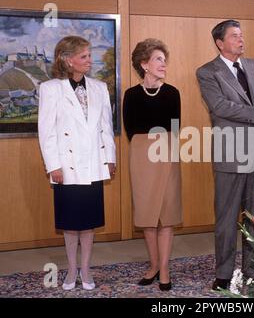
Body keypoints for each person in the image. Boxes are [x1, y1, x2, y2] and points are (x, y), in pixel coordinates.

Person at [196, 19, 254, 290]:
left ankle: (253, 270)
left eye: (241, 34)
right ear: (220, 42)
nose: (240, 39)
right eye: (234, 36)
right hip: (231, 152)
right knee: (227, 218)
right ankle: (223, 274)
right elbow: (219, 106)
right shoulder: (207, 72)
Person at [38, 36, 116, 291]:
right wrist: (53, 166)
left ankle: (86, 268)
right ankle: (72, 268)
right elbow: (46, 131)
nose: (89, 60)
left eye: (89, 55)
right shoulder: (51, 89)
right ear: (67, 59)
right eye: (84, 56)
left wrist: (110, 159)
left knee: (89, 224)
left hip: (93, 164)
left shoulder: (99, 87)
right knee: (71, 225)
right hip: (67, 166)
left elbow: (106, 127)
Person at [123, 38, 182, 291]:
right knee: (148, 218)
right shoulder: (131, 95)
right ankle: (154, 265)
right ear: (144, 64)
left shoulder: (172, 93)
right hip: (142, 160)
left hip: (167, 157)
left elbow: (175, 130)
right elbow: (131, 132)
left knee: (166, 217)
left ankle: (165, 268)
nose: (163, 64)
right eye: (158, 59)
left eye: (164, 60)